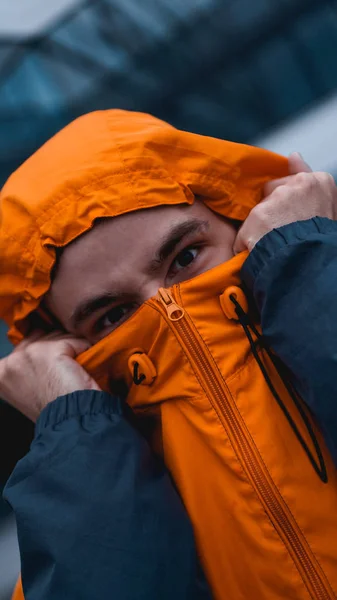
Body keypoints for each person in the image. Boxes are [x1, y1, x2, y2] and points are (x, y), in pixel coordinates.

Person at [1, 110, 337, 600]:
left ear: (244, 222)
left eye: (184, 257)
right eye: (113, 315)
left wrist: (306, 268)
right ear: (62, 344)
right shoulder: (71, 513)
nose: (165, 309)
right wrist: (76, 436)